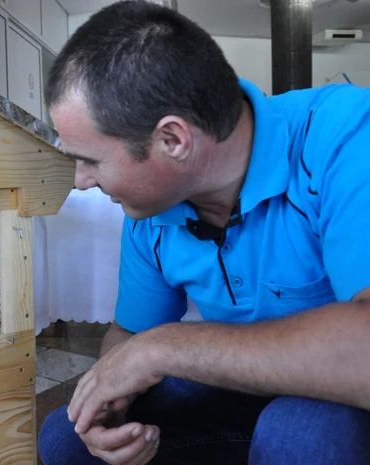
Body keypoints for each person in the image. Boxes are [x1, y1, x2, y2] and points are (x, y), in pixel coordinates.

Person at [36, 1, 370, 464]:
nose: (81, 180)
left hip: (344, 396)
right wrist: (113, 402)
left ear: (173, 140)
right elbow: (130, 333)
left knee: (300, 433)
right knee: (66, 439)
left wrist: (164, 348)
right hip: (241, 398)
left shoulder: (345, 137)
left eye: (91, 159)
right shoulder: (150, 211)